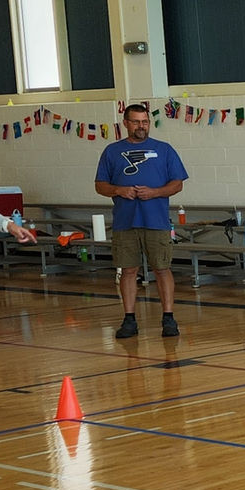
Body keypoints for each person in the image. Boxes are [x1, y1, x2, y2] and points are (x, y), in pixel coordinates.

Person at [94, 103, 188, 338]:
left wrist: (155, 192)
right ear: (125, 123)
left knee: (162, 268)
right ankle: (129, 319)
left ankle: (168, 317)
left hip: (156, 220)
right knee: (128, 270)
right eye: (136, 122)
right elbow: (100, 185)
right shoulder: (111, 151)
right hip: (125, 222)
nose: (141, 126)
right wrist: (118, 190)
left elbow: (177, 183)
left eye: (145, 121)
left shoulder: (164, 149)